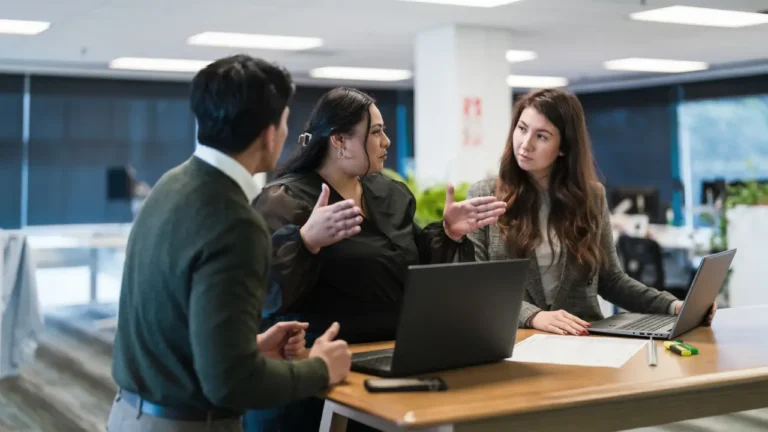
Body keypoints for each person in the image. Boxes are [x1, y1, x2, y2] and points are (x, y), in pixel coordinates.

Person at [108, 55, 352, 432]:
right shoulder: (237, 223)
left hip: (129, 414)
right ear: (269, 134)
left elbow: (170, 325)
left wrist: (247, 347)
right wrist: (320, 368)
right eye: (286, 122)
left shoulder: (169, 185)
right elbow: (231, 382)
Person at [247, 87, 506, 431]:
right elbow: (263, 295)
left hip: (391, 366)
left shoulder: (390, 193)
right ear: (339, 141)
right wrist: (306, 240)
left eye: (384, 130)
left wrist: (448, 231)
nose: (386, 141)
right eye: (375, 132)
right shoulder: (285, 200)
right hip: (321, 376)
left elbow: (411, 265)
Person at [467, 88, 716, 336]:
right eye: (522, 129)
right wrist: (533, 316)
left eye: (541, 136)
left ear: (563, 147)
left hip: (585, 339)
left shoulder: (591, 198)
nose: (525, 144)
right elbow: (477, 285)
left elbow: (611, 280)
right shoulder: (483, 195)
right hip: (514, 339)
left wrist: (673, 306)